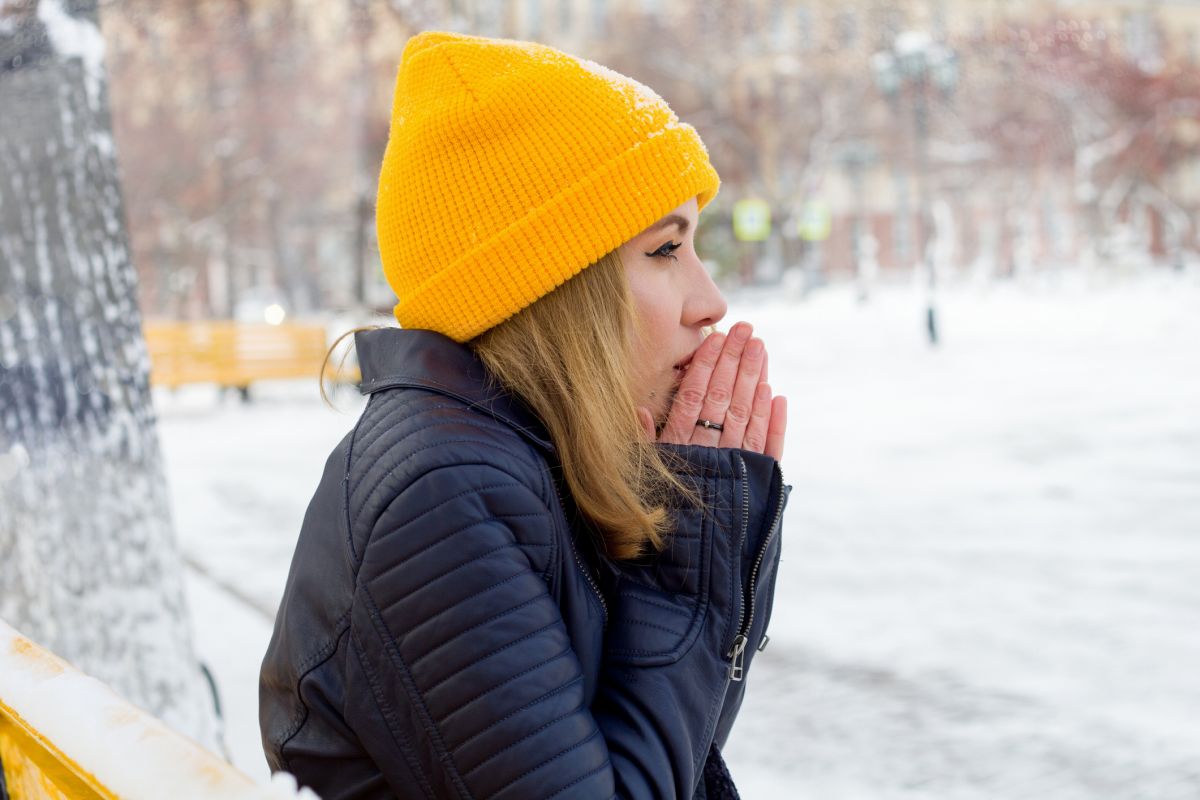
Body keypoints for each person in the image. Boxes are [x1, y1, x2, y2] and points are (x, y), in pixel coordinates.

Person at [259, 30, 790, 800]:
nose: (710, 302)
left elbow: (673, 757)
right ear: (554, 284)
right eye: (666, 250)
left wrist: (705, 544)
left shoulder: (517, 456)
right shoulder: (443, 494)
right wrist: (691, 568)